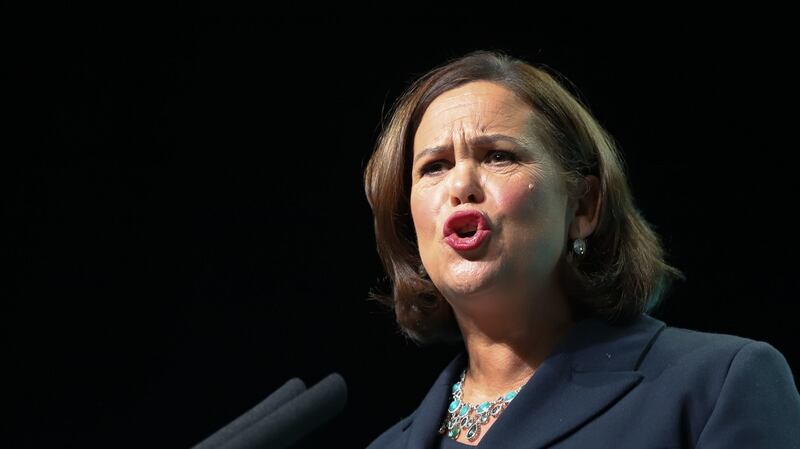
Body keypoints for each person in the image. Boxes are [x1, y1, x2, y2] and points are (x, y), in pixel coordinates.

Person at [361, 50, 800, 449]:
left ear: (584, 207)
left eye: (499, 156)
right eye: (434, 167)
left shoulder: (717, 385)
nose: (460, 186)